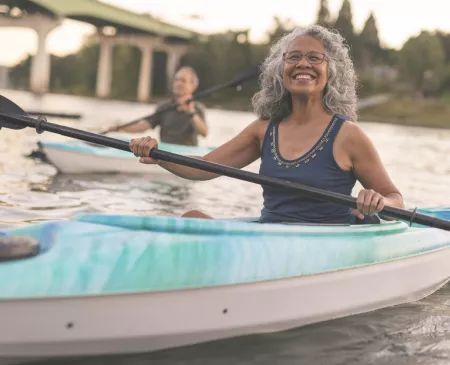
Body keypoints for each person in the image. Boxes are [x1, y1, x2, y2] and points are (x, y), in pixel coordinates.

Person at [129, 25, 405, 224]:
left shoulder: (348, 135)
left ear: (331, 71)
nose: (303, 64)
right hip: (270, 239)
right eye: (293, 56)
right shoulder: (263, 130)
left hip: (324, 243)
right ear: (280, 70)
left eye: (314, 57)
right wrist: (157, 153)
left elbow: (395, 198)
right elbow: (202, 168)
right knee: (191, 219)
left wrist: (378, 202)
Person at [117, 66, 208, 146]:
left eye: (183, 80)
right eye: (176, 80)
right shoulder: (164, 106)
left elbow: (204, 133)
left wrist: (191, 112)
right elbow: (145, 125)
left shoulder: (197, 108)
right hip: (166, 150)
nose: (179, 83)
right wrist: (121, 127)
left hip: (187, 153)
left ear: (192, 86)